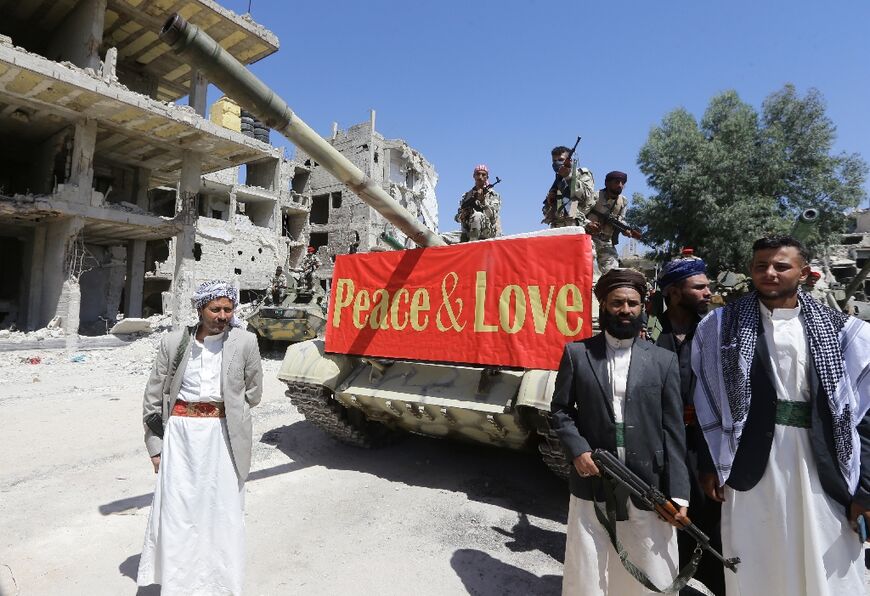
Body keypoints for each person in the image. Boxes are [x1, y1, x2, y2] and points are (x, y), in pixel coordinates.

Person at [691, 236, 870, 595]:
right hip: (748, 462)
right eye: (761, 266)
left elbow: (863, 417)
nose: (769, 273)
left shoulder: (845, 333)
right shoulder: (719, 327)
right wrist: (709, 464)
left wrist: (865, 491)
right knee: (757, 557)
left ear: (803, 272)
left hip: (823, 462)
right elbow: (704, 400)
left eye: (781, 266)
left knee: (828, 560)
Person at [550, 268, 689, 596]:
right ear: (603, 306)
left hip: (648, 484)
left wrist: (679, 493)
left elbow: (674, 430)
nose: (625, 310)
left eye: (632, 303)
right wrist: (578, 450)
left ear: (642, 308)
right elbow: (560, 412)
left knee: (649, 563)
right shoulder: (577, 354)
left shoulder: (663, 361)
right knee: (590, 563)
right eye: (617, 303)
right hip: (593, 482)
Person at [137, 280, 263, 595]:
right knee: (179, 512)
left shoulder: (245, 342)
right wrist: (155, 447)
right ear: (200, 309)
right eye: (215, 309)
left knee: (222, 511)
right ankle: (180, 584)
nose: (223, 315)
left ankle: (219, 584)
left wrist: (231, 408)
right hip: (180, 436)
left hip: (223, 436)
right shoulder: (174, 342)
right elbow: (154, 396)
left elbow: (254, 391)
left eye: (228, 308)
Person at [654, 256, 723, 596]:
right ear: (674, 292)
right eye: (700, 287)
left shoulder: (714, 330)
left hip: (703, 440)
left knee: (707, 513)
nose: (708, 292)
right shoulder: (647, 329)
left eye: (707, 285)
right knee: (662, 512)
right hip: (658, 439)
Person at [586, 171, 631, 274]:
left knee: (613, 273)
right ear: (607, 183)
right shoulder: (595, 196)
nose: (620, 185)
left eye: (623, 183)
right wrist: (588, 223)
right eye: (617, 182)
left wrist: (625, 229)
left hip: (606, 243)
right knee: (589, 269)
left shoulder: (623, 201)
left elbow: (621, 219)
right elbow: (580, 214)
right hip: (589, 239)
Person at [541, 146, 596, 230]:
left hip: (577, 226)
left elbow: (587, 196)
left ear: (569, 161)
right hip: (557, 229)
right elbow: (546, 213)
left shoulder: (581, 174)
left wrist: (569, 177)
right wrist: (550, 202)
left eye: (560, 160)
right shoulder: (557, 181)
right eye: (554, 161)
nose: (557, 163)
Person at [455, 164, 502, 241]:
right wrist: (462, 215)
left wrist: (483, 201)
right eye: (478, 174)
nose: (480, 177)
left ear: (487, 177)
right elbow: (457, 218)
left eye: (483, 175)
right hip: (467, 231)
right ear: (474, 176)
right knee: (442, 237)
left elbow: (492, 217)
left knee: (477, 215)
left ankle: (472, 246)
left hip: (487, 232)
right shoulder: (466, 196)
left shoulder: (493, 195)